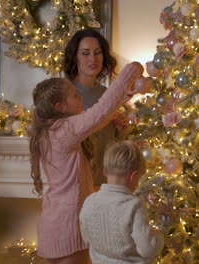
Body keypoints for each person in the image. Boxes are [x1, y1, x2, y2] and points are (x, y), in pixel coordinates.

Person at [29, 63, 143, 264]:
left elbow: (97, 118)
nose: (80, 97)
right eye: (74, 95)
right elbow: (99, 113)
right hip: (69, 223)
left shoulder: (49, 130)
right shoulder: (66, 130)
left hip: (53, 221)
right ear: (59, 107)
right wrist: (129, 74)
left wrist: (122, 100)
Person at [63, 29, 130, 188]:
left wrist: (120, 130)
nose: (93, 58)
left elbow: (110, 143)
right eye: (85, 53)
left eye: (98, 52)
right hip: (76, 184)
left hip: (105, 183)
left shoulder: (106, 93)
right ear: (75, 58)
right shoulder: (65, 94)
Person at [79, 141, 165, 264]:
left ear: (105, 171)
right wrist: (159, 236)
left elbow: (87, 238)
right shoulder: (133, 205)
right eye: (138, 179)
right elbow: (147, 250)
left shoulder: (89, 201)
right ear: (132, 176)